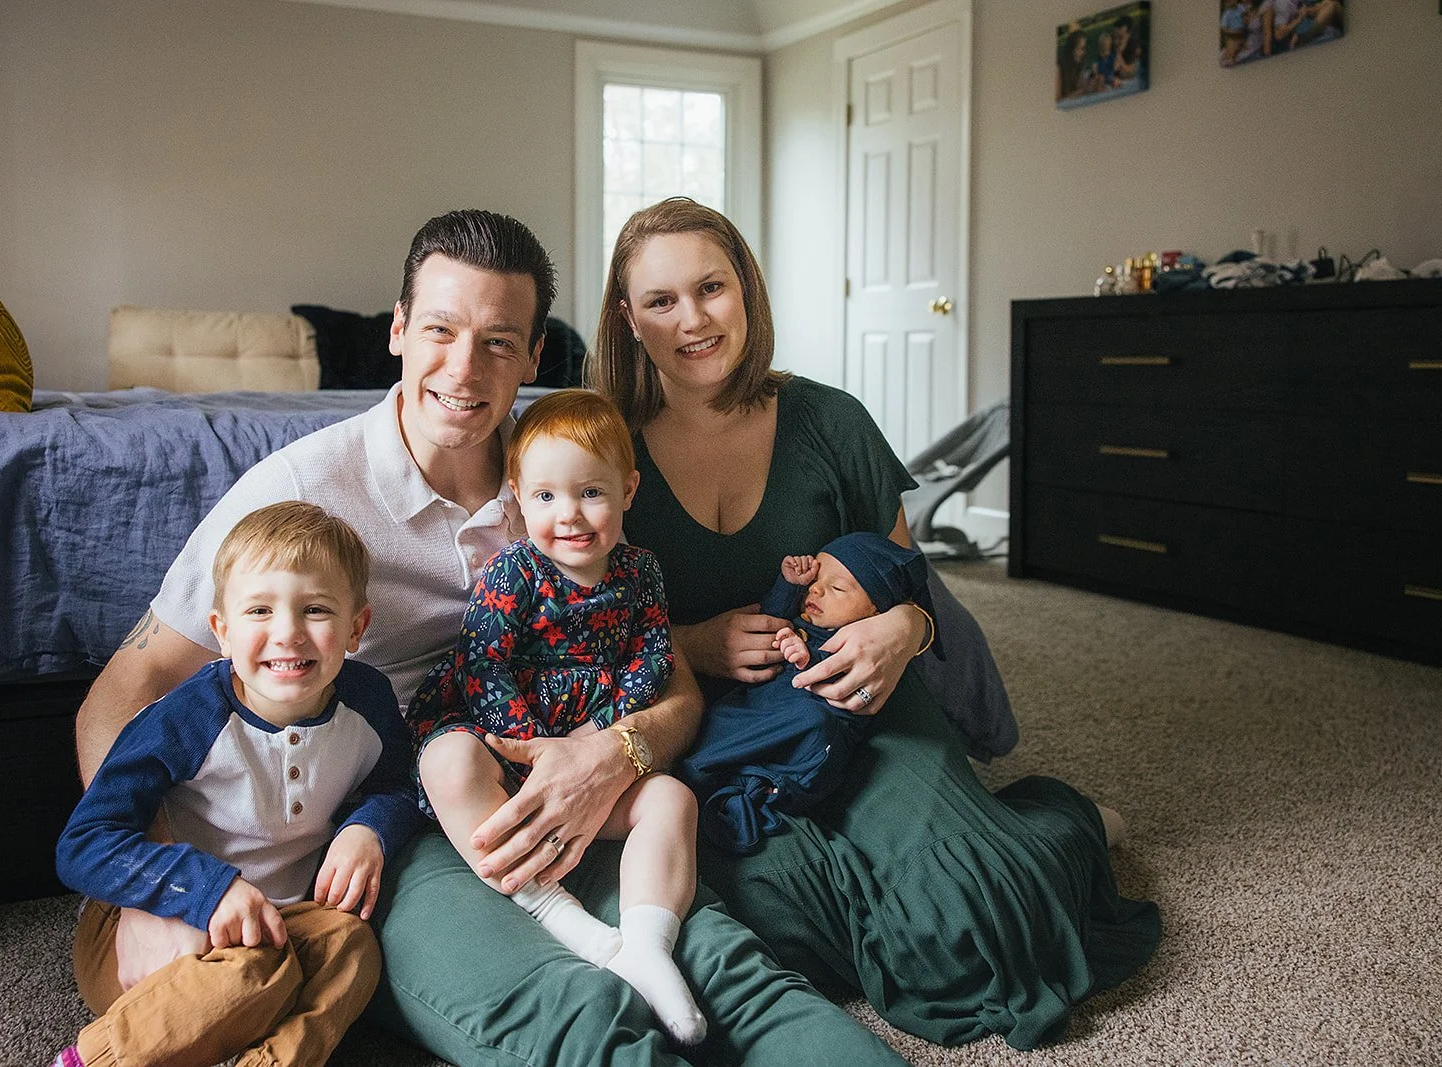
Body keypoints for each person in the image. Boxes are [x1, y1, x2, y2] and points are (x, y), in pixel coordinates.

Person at [74, 208, 909, 1066]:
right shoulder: (295, 494)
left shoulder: (561, 484)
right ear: (399, 330)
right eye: (439, 329)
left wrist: (613, 755)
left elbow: (664, 675)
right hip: (401, 818)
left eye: (499, 342)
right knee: (571, 1013)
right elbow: (119, 699)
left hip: (555, 778)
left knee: (717, 964)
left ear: (536, 354)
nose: (463, 369)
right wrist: (157, 888)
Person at [587, 196, 1161, 1050]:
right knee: (744, 922)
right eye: (662, 301)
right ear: (629, 319)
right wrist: (691, 641)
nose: (694, 318)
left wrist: (905, 632)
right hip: (720, 733)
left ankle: (1056, 822)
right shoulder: (602, 447)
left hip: (865, 700)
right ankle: (954, 851)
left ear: (745, 287)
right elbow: (581, 633)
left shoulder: (831, 421)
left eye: (711, 286)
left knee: (981, 925)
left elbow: (906, 579)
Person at [53, 501, 422, 1067]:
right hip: (166, 922)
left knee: (352, 948)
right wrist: (204, 891)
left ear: (356, 628)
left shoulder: (368, 702)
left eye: (316, 610)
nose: (288, 634)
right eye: (259, 611)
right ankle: (95, 1059)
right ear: (222, 632)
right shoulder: (186, 720)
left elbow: (398, 785)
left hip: (285, 920)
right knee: (253, 970)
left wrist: (367, 829)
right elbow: (85, 845)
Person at [411, 388, 706, 1043]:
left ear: (628, 490)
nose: (568, 515)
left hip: (593, 756)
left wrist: (598, 736)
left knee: (672, 798)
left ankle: (647, 942)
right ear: (517, 493)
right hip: (505, 751)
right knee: (445, 761)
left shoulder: (640, 573)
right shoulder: (512, 573)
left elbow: (653, 657)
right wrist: (539, 745)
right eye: (545, 496)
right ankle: (564, 918)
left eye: (590, 493)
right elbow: (482, 667)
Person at [679, 532, 937, 854]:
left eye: (837, 588)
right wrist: (790, 583)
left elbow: (843, 678)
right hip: (757, 708)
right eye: (815, 580)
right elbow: (771, 615)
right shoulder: (801, 617)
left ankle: (758, 788)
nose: (816, 589)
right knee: (719, 713)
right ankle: (707, 767)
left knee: (814, 725)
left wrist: (807, 658)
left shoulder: (860, 639)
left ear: (875, 610)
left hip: (809, 722)